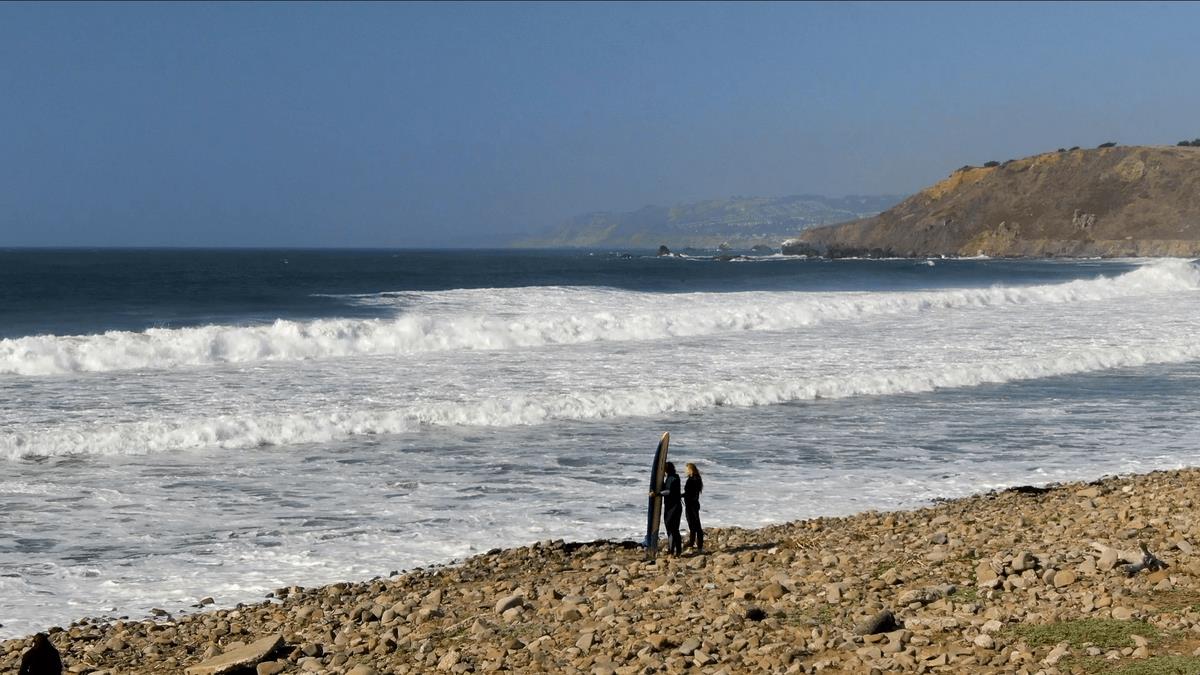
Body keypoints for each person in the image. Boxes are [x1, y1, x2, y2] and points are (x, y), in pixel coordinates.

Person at [661, 462, 683, 556]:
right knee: (674, 529)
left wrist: (657, 494)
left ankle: (673, 550)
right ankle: (676, 550)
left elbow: (668, 491)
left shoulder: (671, 478)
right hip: (675, 506)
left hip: (672, 507)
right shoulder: (674, 477)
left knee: (671, 528)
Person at [684, 462, 704, 552]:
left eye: (686, 469)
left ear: (690, 470)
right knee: (692, 525)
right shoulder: (693, 478)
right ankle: (692, 545)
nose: (685, 471)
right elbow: (689, 493)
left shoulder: (694, 479)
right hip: (691, 504)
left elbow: (693, 493)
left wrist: (686, 497)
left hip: (692, 505)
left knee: (696, 525)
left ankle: (699, 547)